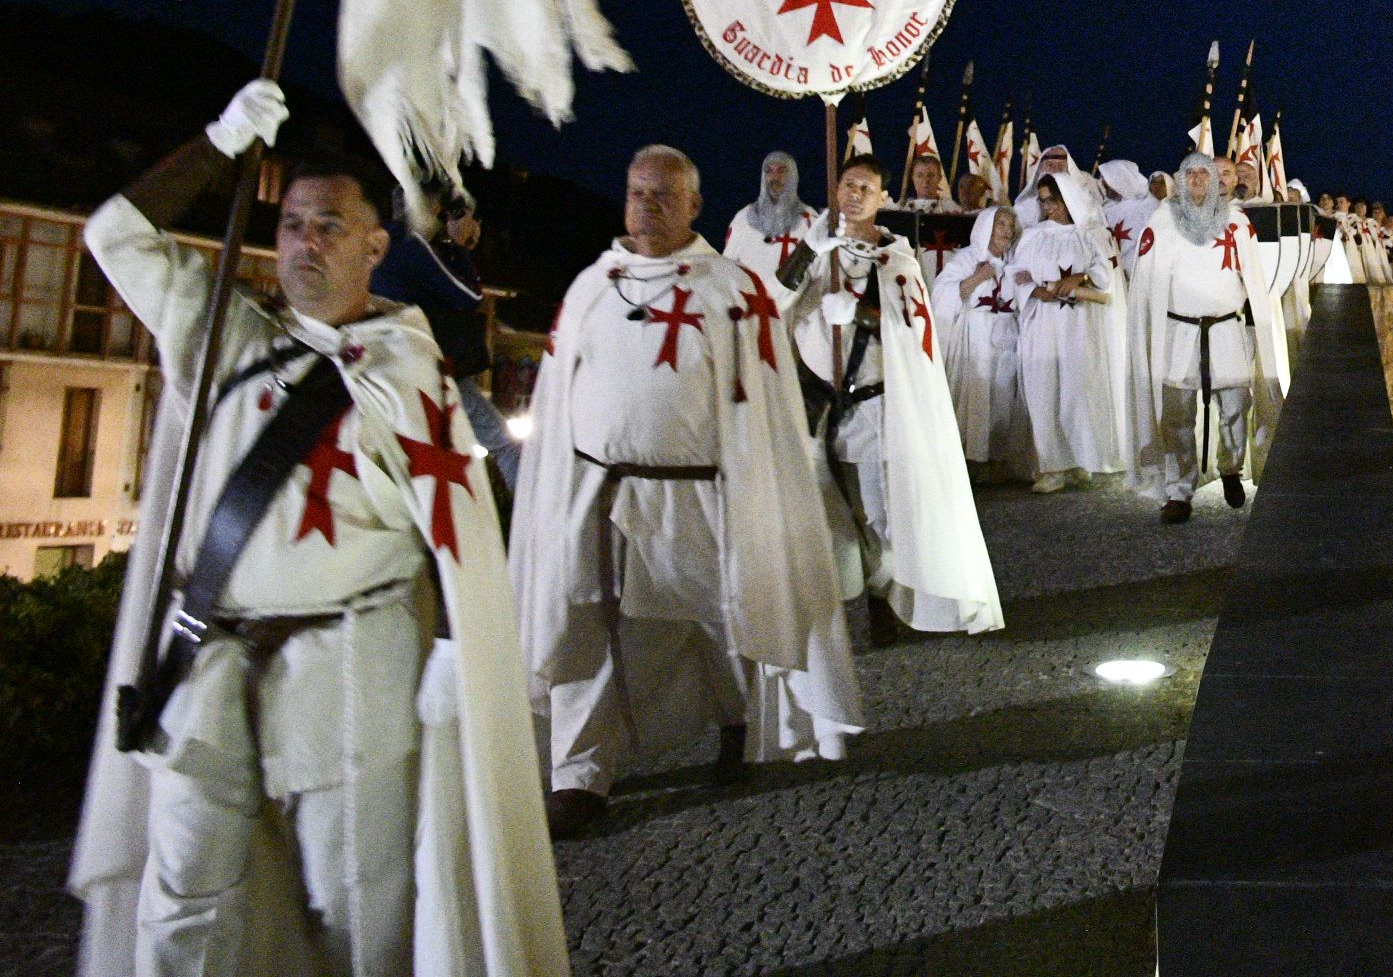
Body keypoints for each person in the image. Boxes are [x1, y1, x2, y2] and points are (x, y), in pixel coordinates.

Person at [69, 79, 565, 976]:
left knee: (357, 914)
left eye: (330, 225)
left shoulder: (409, 371)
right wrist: (221, 143)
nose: (305, 242)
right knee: (181, 911)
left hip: (350, 668)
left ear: (377, 245)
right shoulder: (222, 332)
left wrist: (455, 660)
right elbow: (113, 234)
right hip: (206, 665)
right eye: (292, 223)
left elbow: (463, 530)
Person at [512, 146, 857, 838]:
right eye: (639, 192)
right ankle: (580, 775)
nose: (650, 205)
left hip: (702, 491)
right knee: (591, 628)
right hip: (601, 493)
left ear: (695, 206)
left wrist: (759, 487)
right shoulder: (592, 286)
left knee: (722, 616)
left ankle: (737, 722)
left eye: (666, 195)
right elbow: (557, 396)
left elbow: (764, 404)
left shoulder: (731, 289)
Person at [781, 154, 1001, 641]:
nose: (855, 193)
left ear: (883, 199)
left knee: (878, 514)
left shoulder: (896, 259)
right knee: (828, 513)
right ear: (836, 190)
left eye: (866, 187)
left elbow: (913, 333)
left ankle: (885, 597)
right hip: (818, 410)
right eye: (848, 184)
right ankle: (837, 601)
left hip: (874, 410)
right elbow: (771, 305)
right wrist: (808, 253)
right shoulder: (818, 253)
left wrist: (857, 316)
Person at [1125, 152, 1290, 522]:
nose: (1199, 180)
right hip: (1179, 331)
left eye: (1205, 173)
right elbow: (1145, 280)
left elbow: (1255, 279)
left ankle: (1230, 468)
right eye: (1192, 174)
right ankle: (1180, 490)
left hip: (1225, 327)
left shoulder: (1236, 221)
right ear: (1180, 180)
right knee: (1177, 413)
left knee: (1235, 405)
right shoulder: (1162, 221)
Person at [371, 183, 521, 488]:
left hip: (385, 362)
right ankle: (530, 529)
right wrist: (460, 245)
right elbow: (468, 295)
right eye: (439, 211)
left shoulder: (379, 239)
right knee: (506, 445)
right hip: (426, 367)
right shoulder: (411, 244)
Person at [1008, 167, 1123, 490]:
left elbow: (1104, 274)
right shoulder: (1033, 236)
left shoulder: (1087, 235)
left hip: (1079, 325)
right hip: (1043, 324)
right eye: (1043, 202)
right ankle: (1051, 466)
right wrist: (1036, 290)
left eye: (1053, 201)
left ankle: (1079, 460)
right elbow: (1016, 274)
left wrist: (1078, 278)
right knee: (1043, 390)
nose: (1048, 208)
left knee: (1077, 391)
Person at [930, 205, 1033, 479]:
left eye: (1011, 226)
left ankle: (996, 460)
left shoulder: (1015, 263)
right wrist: (978, 277)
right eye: (1001, 224)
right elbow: (941, 294)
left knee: (1003, 399)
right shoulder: (967, 258)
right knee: (974, 397)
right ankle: (969, 462)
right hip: (975, 338)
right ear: (987, 226)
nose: (1007, 231)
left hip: (1007, 338)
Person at [724, 150, 819, 301]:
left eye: (782, 171)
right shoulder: (743, 218)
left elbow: (818, 276)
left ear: (793, 176)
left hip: (792, 314)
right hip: (751, 308)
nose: (775, 177)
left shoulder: (810, 220)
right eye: (769, 171)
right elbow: (728, 267)